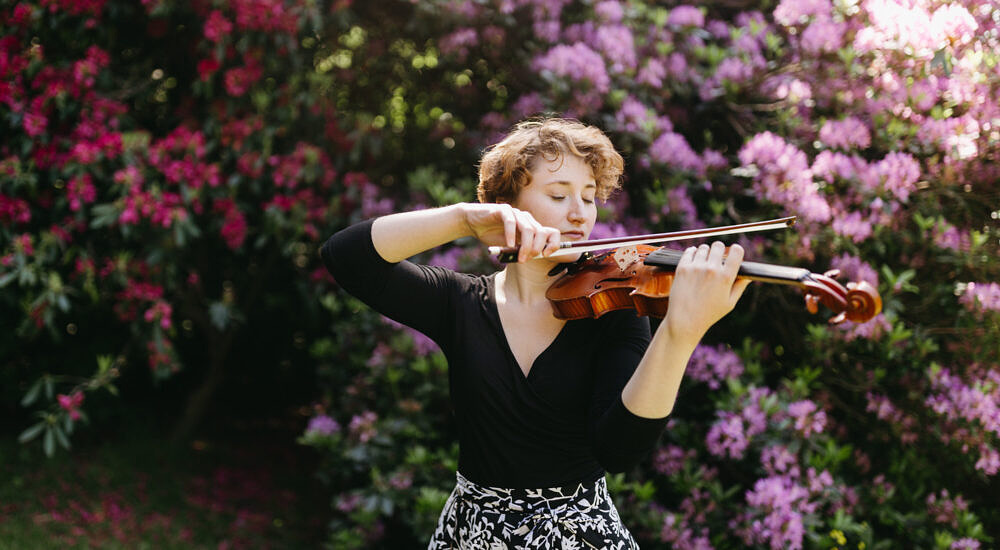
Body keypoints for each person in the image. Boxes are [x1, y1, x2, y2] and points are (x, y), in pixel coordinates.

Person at [319, 118, 750, 548]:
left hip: (578, 537)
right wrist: (464, 220)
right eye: (559, 195)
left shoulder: (612, 309)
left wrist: (680, 333)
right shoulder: (461, 303)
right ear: (507, 203)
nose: (580, 213)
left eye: (589, 196)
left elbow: (620, 450)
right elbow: (347, 256)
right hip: (471, 535)